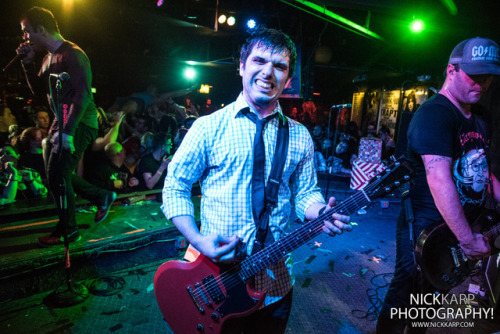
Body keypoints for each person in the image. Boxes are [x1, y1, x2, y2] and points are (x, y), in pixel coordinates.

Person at [161, 27, 351, 333]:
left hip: (275, 285)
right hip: (216, 279)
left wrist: (320, 212)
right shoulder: (207, 128)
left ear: (288, 79)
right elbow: (175, 187)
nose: (268, 73)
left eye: (279, 66)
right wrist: (197, 240)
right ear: (241, 66)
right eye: (259, 61)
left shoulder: (300, 136)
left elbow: (305, 194)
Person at [376, 37, 500, 333]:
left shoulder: (480, 117)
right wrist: (468, 240)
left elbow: (483, 169)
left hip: (459, 228)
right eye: (474, 75)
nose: (481, 84)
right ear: (451, 70)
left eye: (488, 77)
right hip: (425, 228)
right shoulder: (435, 114)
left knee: (430, 301)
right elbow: (438, 177)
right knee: (405, 295)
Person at [17, 6, 114, 247]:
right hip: (60, 123)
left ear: (40, 29)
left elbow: (82, 95)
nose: (25, 37)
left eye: (27, 31)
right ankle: (101, 196)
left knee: (58, 176)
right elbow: (39, 93)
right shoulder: (48, 58)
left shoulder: (73, 54)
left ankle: (69, 231)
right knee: (56, 178)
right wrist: (28, 64)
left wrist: (68, 133)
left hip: (80, 122)